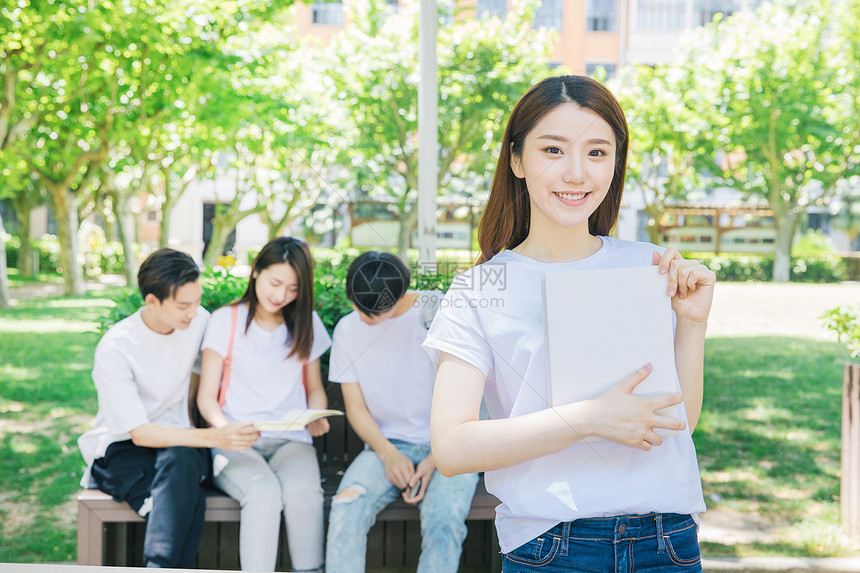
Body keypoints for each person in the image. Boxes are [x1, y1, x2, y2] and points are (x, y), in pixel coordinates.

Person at [423, 75, 717, 572]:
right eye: (553, 150)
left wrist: (691, 326)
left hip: (667, 541)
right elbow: (451, 447)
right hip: (552, 548)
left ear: (616, 163)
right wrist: (586, 419)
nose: (577, 173)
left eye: (597, 152)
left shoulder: (650, 267)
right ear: (517, 160)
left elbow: (677, 419)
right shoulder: (479, 288)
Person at [78, 248, 260, 568]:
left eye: (197, 301)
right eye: (182, 305)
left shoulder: (199, 322)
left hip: (181, 448)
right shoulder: (116, 347)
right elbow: (140, 433)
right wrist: (216, 438)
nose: (193, 312)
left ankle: (158, 564)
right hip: (124, 450)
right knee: (184, 496)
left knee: (179, 468)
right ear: (152, 301)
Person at [325, 251, 479, 573]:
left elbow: (470, 395)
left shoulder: (438, 311)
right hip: (386, 444)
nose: (365, 315)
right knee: (346, 507)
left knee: (443, 521)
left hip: (452, 446)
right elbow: (355, 407)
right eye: (359, 306)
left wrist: (437, 458)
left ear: (400, 295)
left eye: (377, 310)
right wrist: (387, 454)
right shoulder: (346, 330)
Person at [196, 236, 330, 573]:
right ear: (256, 271)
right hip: (235, 442)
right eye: (275, 283)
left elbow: (315, 389)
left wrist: (316, 413)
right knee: (263, 495)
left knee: (305, 497)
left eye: (293, 288)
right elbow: (206, 398)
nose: (281, 295)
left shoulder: (306, 323)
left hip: (292, 441)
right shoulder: (225, 320)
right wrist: (225, 431)